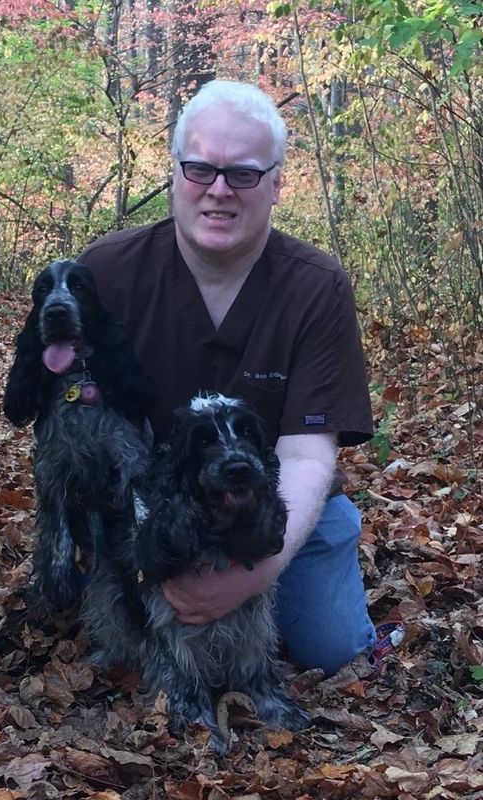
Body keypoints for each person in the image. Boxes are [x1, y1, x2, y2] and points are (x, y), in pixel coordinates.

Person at [78, 79, 377, 677]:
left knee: (333, 651)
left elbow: (307, 455)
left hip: (270, 510)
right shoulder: (104, 272)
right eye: (199, 169)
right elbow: (79, 428)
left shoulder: (315, 286)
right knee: (116, 649)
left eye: (242, 173)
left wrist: (250, 577)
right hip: (143, 504)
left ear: (275, 183)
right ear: (174, 173)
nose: (218, 191)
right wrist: (144, 544)